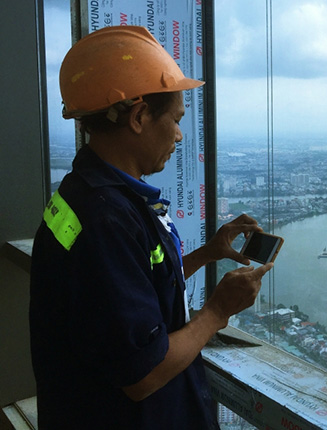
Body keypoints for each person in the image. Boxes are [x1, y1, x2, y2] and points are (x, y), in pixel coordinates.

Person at [29, 26, 272, 429]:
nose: (178, 135)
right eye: (176, 120)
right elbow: (142, 374)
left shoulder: (88, 194)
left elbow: (129, 285)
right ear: (140, 117)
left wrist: (208, 253)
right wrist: (217, 311)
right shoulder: (106, 219)